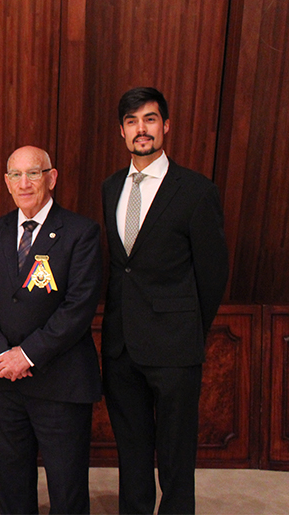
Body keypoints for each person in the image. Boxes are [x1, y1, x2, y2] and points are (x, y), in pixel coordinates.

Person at [102, 87, 228, 514]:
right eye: (133, 121)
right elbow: (123, 267)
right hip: (121, 348)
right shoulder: (111, 187)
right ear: (122, 131)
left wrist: (188, 330)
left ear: (166, 126)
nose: (142, 130)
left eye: (150, 119)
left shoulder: (196, 191)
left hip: (174, 349)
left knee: (175, 461)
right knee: (132, 457)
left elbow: (213, 276)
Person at [0, 146, 102, 514]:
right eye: (16, 175)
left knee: (67, 485)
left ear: (52, 177)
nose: (24, 183)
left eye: (34, 173)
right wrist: (0, 353)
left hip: (59, 381)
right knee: (10, 481)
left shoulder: (80, 232)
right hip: (5, 383)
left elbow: (78, 307)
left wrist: (26, 355)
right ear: (6, 183)